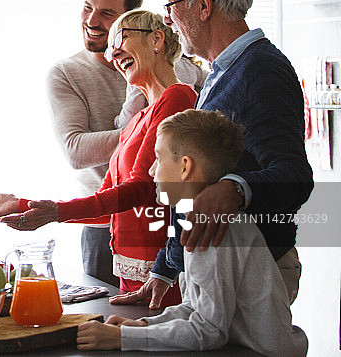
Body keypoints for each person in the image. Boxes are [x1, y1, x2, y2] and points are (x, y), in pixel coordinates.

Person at [111, 0, 313, 310]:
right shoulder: (221, 72)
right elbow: (193, 188)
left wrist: (234, 190)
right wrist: (165, 270)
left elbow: (295, 176)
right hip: (224, 268)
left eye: (171, 6)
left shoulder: (262, 70)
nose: (167, 20)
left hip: (254, 270)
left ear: (203, 5)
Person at [0, 10, 196, 307]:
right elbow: (109, 208)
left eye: (120, 39)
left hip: (164, 275)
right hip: (131, 275)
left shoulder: (177, 97)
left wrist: (56, 212)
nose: (114, 54)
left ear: (157, 40)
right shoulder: (136, 122)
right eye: (110, 49)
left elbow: (140, 188)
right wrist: (24, 205)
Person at [76, 109, 308, 356]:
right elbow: (193, 308)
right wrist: (143, 325)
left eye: (158, 158)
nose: (152, 171)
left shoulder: (210, 229)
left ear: (185, 167)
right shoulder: (200, 220)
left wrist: (121, 338)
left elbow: (208, 331)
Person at [47, 0, 206, 286]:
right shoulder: (68, 73)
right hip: (102, 221)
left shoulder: (174, 75)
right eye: (88, 7)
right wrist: (145, 126)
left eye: (107, 14)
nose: (92, 21)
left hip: (159, 218)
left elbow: (203, 99)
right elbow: (76, 151)